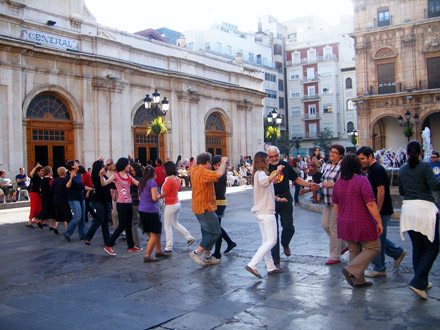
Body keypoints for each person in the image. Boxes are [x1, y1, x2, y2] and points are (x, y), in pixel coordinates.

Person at [332, 154, 383, 289]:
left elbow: (335, 204)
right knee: (374, 247)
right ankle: (352, 270)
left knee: (354, 250)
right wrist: (379, 221)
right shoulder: (361, 181)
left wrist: (341, 218)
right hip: (361, 221)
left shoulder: (338, 183)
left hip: (344, 221)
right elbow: (371, 203)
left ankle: (358, 281)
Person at [356, 146, 407, 277]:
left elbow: (381, 191)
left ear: (370, 157)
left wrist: (377, 211)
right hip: (376, 210)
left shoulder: (377, 169)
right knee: (378, 236)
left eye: (362, 158)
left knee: (376, 239)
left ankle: (379, 267)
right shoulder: (370, 169)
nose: (360, 161)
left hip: (382, 210)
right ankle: (397, 253)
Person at [399, 141, 440, 300]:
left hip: (408, 210)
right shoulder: (425, 167)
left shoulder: (402, 169)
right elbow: (435, 186)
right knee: (432, 247)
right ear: (421, 153)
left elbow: (401, 191)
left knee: (418, 246)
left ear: (407, 154)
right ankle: (417, 282)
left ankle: (421, 281)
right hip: (425, 210)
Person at [267, 146, 317, 265]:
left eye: (276, 156)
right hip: (271, 200)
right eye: (271, 156)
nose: (274, 158)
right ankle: (275, 257)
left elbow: (296, 179)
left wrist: (309, 185)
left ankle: (285, 243)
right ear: (268, 157)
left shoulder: (285, 165)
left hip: (286, 198)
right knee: (273, 231)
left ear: (279, 155)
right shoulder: (265, 168)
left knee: (289, 226)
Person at [245, 151, 285, 279]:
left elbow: (266, 192)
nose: (269, 162)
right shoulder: (261, 174)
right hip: (266, 212)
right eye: (267, 160)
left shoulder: (257, 174)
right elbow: (266, 181)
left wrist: (279, 199)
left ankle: (270, 266)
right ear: (262, 161)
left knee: (266, 240)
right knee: (272, 240)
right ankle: (253, 264)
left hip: (260, 212)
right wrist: (277, 171)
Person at [188, 152, 227, 267]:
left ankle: (207, 257)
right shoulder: (203, 172)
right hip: (205, 207)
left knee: (206, 232)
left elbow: (197, 162)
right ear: (206, 163)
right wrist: (223, 161)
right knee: (215, 232)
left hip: (199, 206)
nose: (210, 164)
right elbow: (219, 174)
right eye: (209, 162)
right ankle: (197, 252)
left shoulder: (194, 169)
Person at [101, 157, 142, 256]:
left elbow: (138, 184)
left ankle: (131, 245)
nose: (129, 166)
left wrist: (148, 183)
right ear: (124, 165)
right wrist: (101, 175)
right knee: (122, 225)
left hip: (129, 202)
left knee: (128, 225)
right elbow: (104, 183)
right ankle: (109, 244)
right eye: (128, 164)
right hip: (121, 203)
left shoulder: (128, 176)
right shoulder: (116, 176)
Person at [158, 161, 194, 255]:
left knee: (167, 226)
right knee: (175, 223)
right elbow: (179, 189)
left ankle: (168, 247)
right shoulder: (177, 179)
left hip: (170, 204)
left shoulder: (169, 180)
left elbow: (165, 193)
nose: (163, 171)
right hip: (177, 203)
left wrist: (157, 196)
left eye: (164, 169)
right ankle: (188, 237)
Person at [321, 144, 348, 265]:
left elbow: (344, 183)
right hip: (327, 200)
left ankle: (335, 255)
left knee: (333, 227)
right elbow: (324, 181)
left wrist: (332, 185)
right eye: (331, 151)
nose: (332, 154)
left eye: (335, 152)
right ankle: (344, 244)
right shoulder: (327, 165)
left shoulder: (342, 167)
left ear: (341, 155)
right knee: (325, 224)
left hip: (337, 201)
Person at [138, 166, 166, 262]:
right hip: (151, 210)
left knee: (157, 231)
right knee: (154, 233)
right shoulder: (152, 183)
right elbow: (154, 198)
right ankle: (147, 255)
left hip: (142, 210)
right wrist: (161, 195)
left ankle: (158, 251)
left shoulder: (141, 183)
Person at [211, 155, 236, 260]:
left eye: (219, 165)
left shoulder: (221, 175)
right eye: (216, 165)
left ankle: (217, 252)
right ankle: (229, 243)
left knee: (217, 228)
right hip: (217, 202)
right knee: (217, 227)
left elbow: (217, 190)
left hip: (219, 202)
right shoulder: (217, 174)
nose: (217, 167)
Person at [84, 159, 111, 246]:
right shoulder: (95, 176)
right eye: (102, 166)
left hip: (106, 200)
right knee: (100, 219)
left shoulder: (103, 176)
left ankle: (107, 240)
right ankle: (88, 237)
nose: (103, 168)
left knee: (105, 220)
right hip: (99, 200)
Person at [63, 160, 88, 242]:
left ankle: (82, 234)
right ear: (72, 166)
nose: (77, 165)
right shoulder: (68, 175)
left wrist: (91, 189)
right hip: (73, 198)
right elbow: (67, 186)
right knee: (77, 216)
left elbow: (82, 186)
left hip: (80, 196)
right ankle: (67, 232)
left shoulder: (78, 175)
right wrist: (71, 178)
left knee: (82, 217)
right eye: (76, 164)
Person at [51, 167, 72, 235]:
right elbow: (67, 189)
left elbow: (52, 189)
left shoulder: (55, 180)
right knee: (66, 215)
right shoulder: (66, 180)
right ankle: (66, 230)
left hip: (56, 199)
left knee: (58, 214)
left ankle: (56, 227)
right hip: (64, 199)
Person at [36, 166, 55, 230]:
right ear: (49, 172)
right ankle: (51, 225)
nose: (52, 172)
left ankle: (41, 222)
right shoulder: (51, 180)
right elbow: (53, 188)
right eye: (51, 171)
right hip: (50, 196)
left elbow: (40, 189)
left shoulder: (42, 180)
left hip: (44, 196)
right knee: (52, 210)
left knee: (45, 209)